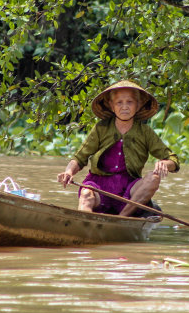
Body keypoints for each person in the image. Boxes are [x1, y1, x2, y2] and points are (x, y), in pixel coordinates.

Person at [57, 80, 179, 217]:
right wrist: (68, 172)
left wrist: (165, 164)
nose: (124, 107)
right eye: (119, 102)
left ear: (138, 105)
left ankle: (122, 218)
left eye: (130, 102)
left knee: (154, 178)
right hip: (99, 187)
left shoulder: (145, 132)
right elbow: (79, 158)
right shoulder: (101, 128)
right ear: (112, 106)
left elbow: (173, 160)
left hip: (129, 190)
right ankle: (86, 221)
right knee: (86, 193)